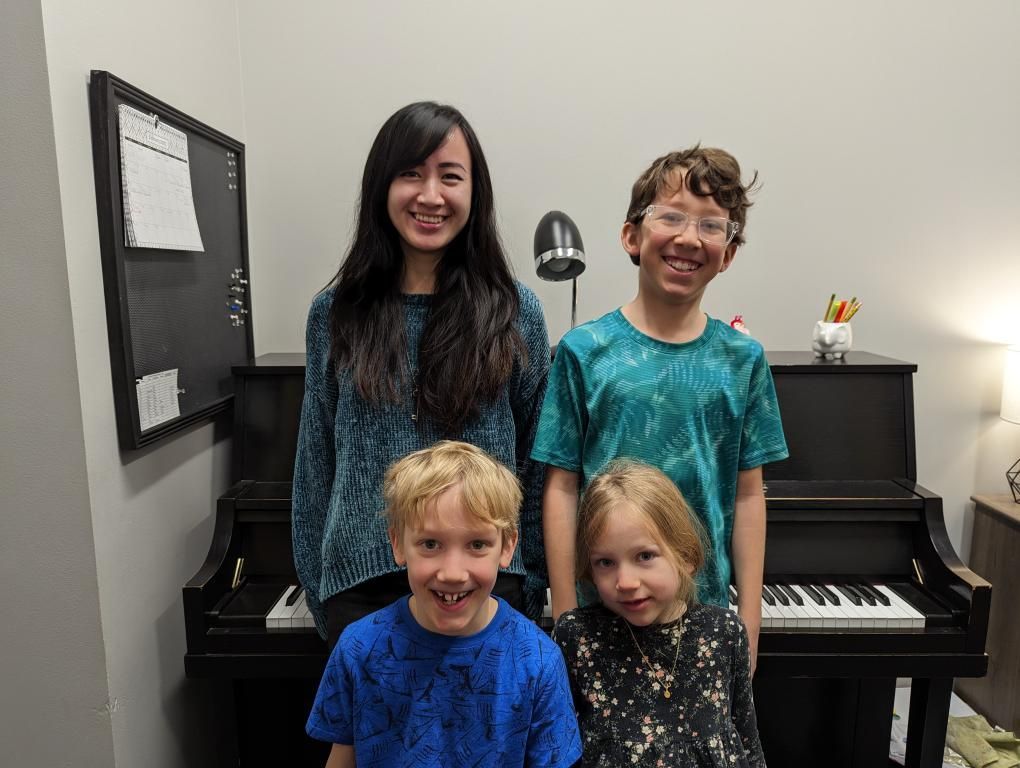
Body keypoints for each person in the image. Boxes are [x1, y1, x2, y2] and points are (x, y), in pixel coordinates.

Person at [292, 102, 550, 647]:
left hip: (487, 587)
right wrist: (320, 594)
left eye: (450, 177)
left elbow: (537, 460)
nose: (430, 195)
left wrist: (533, 579)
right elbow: (316, 461)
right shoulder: (335, 313)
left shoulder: (515, 312)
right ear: (381, 187)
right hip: (360, 588)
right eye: (411, 173)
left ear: (473, 193)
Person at [533, 145, 788, 671]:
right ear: (632, 235)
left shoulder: (744, 359)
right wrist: (564, 615)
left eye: (713, 226)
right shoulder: (583, 351)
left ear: (730, 252)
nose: (690, 238)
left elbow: (747, 496)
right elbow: (560, 487)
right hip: (602, 608)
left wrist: (751, 619)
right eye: (671, 217)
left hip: (704, 615)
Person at [307, 441, 583, 768]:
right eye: (431, 544)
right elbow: (343, 758)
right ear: (397, 543)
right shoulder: (357, 648)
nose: (453, 573)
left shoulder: (539, 662)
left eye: (477, 544)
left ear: (508, 546)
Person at [553, 460, 765, 767]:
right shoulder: (577, 635)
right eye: (605, 562)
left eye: (645, 556)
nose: (626, 582)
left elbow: (747, 738)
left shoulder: (724, 631)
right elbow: (558, 746)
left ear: (686, 556)